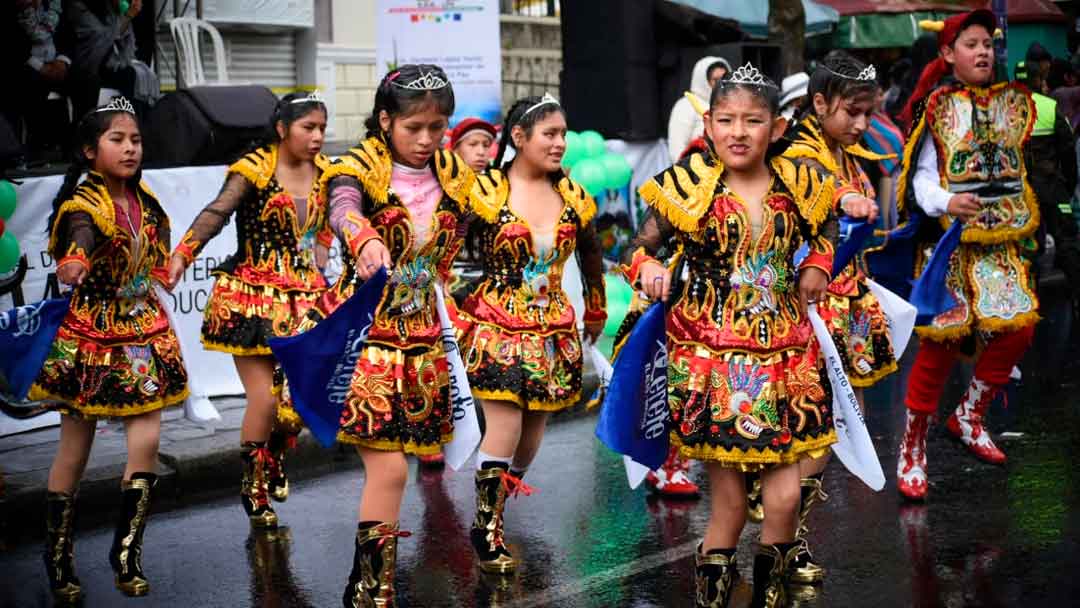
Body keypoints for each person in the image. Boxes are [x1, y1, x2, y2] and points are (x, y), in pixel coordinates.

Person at [628, 63, 838, 608]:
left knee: (786, 498)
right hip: (715, 360)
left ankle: (766, 596)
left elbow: (828, 224)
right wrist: (648, 270)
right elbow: (639, 246)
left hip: (788, 356)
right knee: (730, 508)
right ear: (710, 123)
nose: (738, 132)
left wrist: (818, 261)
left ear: (775, 126)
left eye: (752, 120)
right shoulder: (689, 184)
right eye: (725, 119)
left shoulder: (800, 182)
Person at [302, 64, 474, 606]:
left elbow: (489, 219)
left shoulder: (454, 172)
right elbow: (342, 206)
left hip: (424, 341)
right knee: (391, 467)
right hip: (368, 339)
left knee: (408, 464)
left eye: (437, 127)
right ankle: (369, 589)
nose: (426, 140)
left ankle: (369, 585)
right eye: (413, 128)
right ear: (385, 121)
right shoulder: (359, 166)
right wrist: (362, 236)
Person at [29, 96, 190, 602]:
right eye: (117, 140)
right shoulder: (84, 204)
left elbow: (155, 256)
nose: (129, 149)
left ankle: (126, 552)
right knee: (75, 450)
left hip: (143, 331)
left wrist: (170, 267)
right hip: (93, 336)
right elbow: (80, 235)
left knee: (146, 441)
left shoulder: (148, 203)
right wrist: (75, 261)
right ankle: (57, 553)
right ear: (89, 150)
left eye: (135, 140)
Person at [455, 93, 606, 574]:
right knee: (506, 423)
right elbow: (447, 243)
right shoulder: (486, 191)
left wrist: (597, 308)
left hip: (554, 326)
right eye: (550, 134)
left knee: (534, 432)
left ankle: (498, 503)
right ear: (519, 138)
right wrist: (449, 301)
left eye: (563, 134)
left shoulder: (573, 195)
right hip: (498, 322)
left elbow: (590, 253)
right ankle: (487, 524)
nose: (560, 143)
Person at [167, 92, 333, 528]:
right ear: (282, 129)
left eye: (321, 129)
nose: (317, 137)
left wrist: (322, 252)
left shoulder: (330, 173)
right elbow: (217, 213)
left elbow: (336, 218)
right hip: (252, 300)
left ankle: (274, 456)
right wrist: (183, 254)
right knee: (264, 401)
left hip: (306, 302)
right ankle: (254, 485)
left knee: (297, 403)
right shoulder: (254, 169)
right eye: (308, 128)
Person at [895, 10, 1040, 501]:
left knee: (1020, 327)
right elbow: (920, 177)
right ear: (946, 54)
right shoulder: (936, 108)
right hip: (950, 244)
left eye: (988, 44)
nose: (982, 52)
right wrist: (947, 202)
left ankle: (969, 415)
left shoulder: (1009, 106)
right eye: (971, 43)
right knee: (941, 342)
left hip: (1000, 244)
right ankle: (912, 447)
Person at [773, 50, 896, 588]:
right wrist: (845, 197)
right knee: (819, 430)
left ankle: (787, 537)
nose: (862, 124)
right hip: (805, 310)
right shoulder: (800, 150)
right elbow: (817, 185)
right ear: (819, 103)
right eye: (852, 112)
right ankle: (785, 543)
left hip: (844, 305)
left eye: (869, 113)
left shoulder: (845, 147)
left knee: (833, 425)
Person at [64, 0, 159, 119]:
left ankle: (137, 125)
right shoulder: (78, 6)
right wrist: (127, 16)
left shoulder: (110, 8)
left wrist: (124, 15)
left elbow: (126, 38)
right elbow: (101, 37)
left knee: (136, 75)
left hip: (110, 64)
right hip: (87, 64)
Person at [3, 1, 72, 161]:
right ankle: (32, 149)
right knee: (29, 85)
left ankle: (75, 146)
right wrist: (41, 67)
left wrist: (62, 61)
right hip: (24, 64)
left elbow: (69, 36)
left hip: (57, 63)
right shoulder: (13, 8)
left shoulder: (56, 4)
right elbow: (10, 45)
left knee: (86, 81)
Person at [668, 56, 731, 162]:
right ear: (703, 81)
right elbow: (677, 148)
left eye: (724, 79)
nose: (721, 84)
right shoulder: (686, 105)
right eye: (716, 80)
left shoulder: (732, 103)